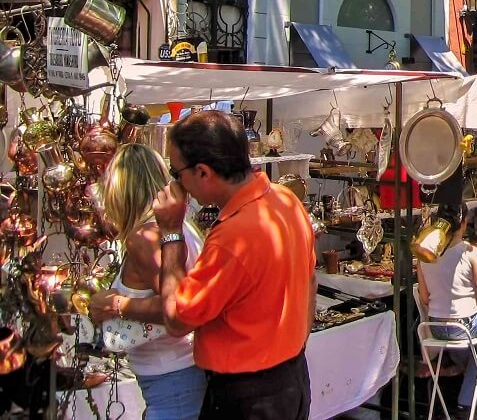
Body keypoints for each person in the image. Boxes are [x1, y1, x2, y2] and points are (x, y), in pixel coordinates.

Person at [153, 110, 317, 420]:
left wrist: (171, 232)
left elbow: (176, 319)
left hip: (249, 393)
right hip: (288, 378)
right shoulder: (284, 199)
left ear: (203, 172)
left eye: (177, 173)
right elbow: (310, 282)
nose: (179, 184)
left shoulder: (235, 235)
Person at [87, 143, 206, 420]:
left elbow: (177, 308)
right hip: (182, 371)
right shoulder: (181, 228)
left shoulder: (145, 238)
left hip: (172, 376)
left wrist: (116, 305)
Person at [417, 203, 477, 418]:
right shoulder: (471, 252)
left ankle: (462, 372)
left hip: (435, 326)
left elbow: (425, 298)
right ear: (464, 223)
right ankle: (472, 396)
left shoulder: (424, 255)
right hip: (463, 325)